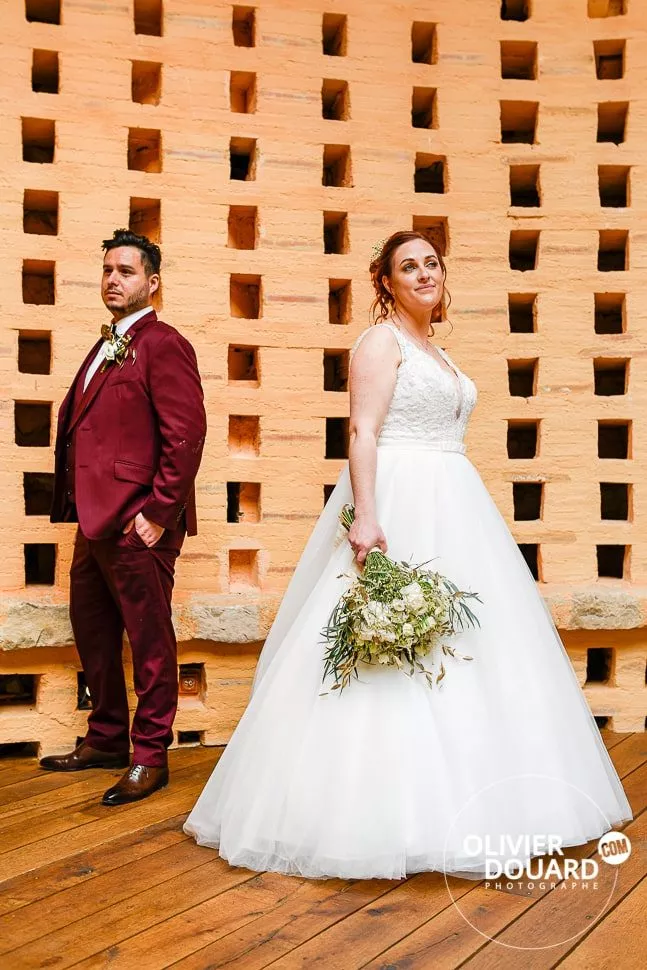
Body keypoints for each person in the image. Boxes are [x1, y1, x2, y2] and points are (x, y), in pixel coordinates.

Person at [184, 230, 631, 879]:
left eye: (430, 264)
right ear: (385, 283)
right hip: (400, 500)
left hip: (458, 506)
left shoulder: (435, 351)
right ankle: (375, 816)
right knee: (389, 647)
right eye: (407, 267)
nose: (422, 274)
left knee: (474, 648)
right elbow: (362, 430)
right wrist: (366, 515)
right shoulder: (379, 342)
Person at [42, 229, 207, 806]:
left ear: (152, 282)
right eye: (108, 270)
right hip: (95, 522)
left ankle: (150, 754)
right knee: (93, 632)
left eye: (127, 272)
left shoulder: (164, 343)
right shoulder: (106, 343)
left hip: (140, 523)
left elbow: (185, 435)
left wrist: (158, 514)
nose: (114, 279)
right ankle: (107, 737)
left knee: (150, 640)